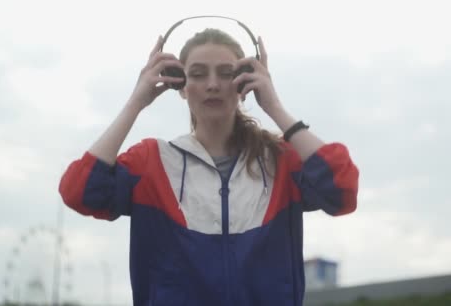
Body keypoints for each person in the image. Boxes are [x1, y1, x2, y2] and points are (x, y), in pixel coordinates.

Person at [58, 28, 359, 306]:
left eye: (226, 73)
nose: (213, 85)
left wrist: (274, 107)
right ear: (180, 84)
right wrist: (137, 100)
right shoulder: (151, 162)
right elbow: (78, 191)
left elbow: (342, 191)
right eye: (198, 74)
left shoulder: (281, 160)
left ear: (245, 80)